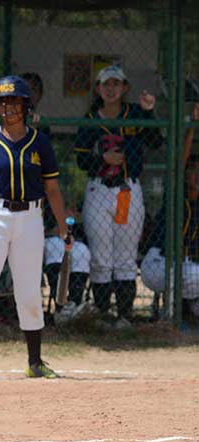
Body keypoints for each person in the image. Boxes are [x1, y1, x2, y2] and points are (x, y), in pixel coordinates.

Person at [0, 75, 69, 380]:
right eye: (3, 103)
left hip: (31, 218)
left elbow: (53, 189)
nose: (8, 108)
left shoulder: (40, 142)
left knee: (30, 290)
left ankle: (35, 362)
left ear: (26, 106)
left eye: (15, 102)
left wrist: (62, 227)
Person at [74, 65, 162, 328]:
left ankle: (124, 315)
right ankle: (102, 314)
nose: (110, 89)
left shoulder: (134, 112)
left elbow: (156, 142)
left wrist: (149, 112)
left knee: (125, 256)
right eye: (105, 84)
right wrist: (101, 158)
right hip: (98, 188)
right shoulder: (90, 117)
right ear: (98, 89)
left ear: (125, 88)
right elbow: (80, 158)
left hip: (127, 189)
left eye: (116, 84)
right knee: (101, 257)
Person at [141, 104, 199, 319]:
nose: (197, 176)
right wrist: (192, 127)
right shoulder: (176, 194)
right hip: (158, 263)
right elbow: (178, 164)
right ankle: (173, 310)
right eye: (194, 171)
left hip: (185, 267)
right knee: (192, 274)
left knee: (191, 272)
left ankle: (185, 307)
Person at [21, 72, 51, 139]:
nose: (29, 94)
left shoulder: (42, 125)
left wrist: (32, 130)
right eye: (25, 90)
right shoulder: (8, 118)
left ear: (40, 94)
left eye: (33, 90)